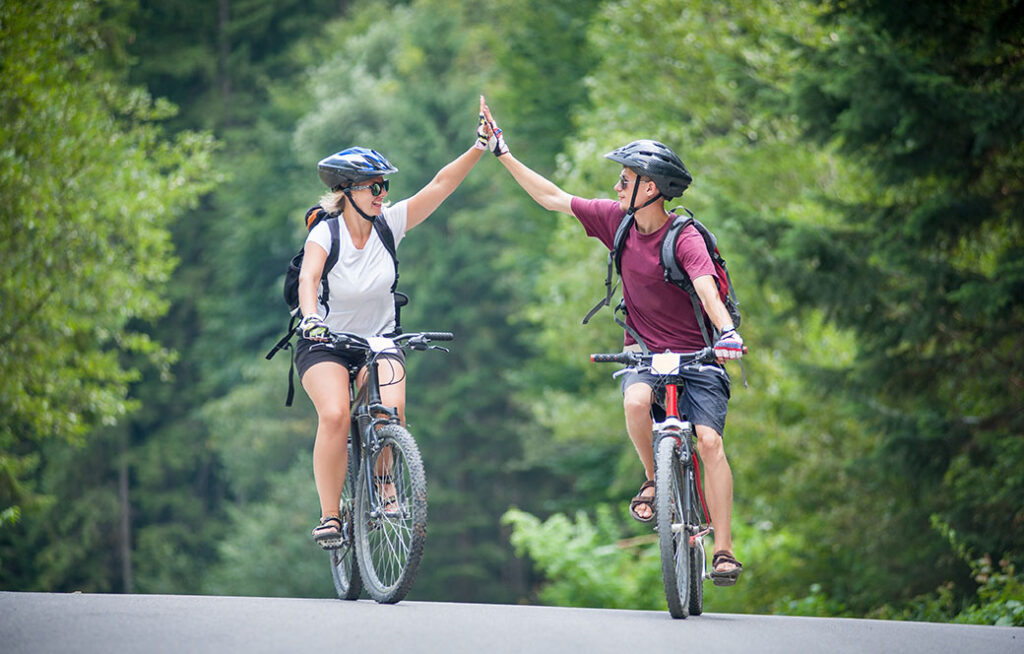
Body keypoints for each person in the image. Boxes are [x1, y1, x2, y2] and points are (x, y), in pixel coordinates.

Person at [480, 100, 745, 585]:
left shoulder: (683, 237)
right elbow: (554, 197)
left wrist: (727, 333)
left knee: (709, 441)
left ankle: (724, 549)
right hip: (645, 349)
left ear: (651, 188)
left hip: (700, 354)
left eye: (625, 180)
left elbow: (706, 287)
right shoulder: (615, 222)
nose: (616, 187)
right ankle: (653, 478)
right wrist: (503, 154)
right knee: (635, 401)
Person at [298, 100, 491, 548]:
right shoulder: (325, 233)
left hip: (378, 340)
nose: (381, 193)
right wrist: (310, 319)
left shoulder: (390, 224)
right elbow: (308, 278)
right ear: (346, 191)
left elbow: (441, 185)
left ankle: (385, 487)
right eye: (372, 187)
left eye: (383, 186)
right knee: (335, 413)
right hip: (324, 342)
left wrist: (480, 147)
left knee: (393, 411)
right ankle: (331, 516)